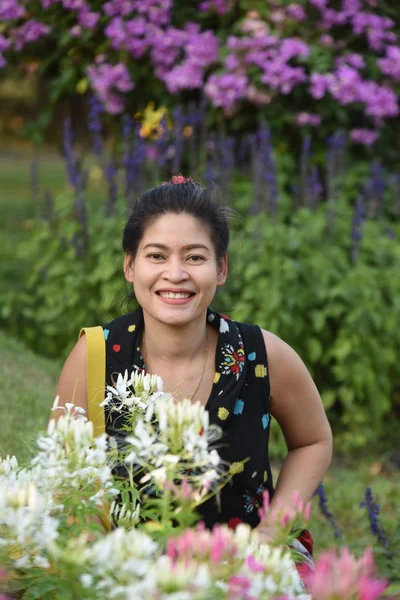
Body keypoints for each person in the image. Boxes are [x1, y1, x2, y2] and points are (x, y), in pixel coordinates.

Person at [55, 175, 332, 577]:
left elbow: (314, 440)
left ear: (220, 269)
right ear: (130, 266)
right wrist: (94, 561)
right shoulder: (95, 355)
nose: (176, 273)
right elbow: (67, 474)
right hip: (126, 566)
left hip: (246, 562)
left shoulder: (262, 354)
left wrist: (271, 534)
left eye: (195, 257)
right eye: (156, 256)